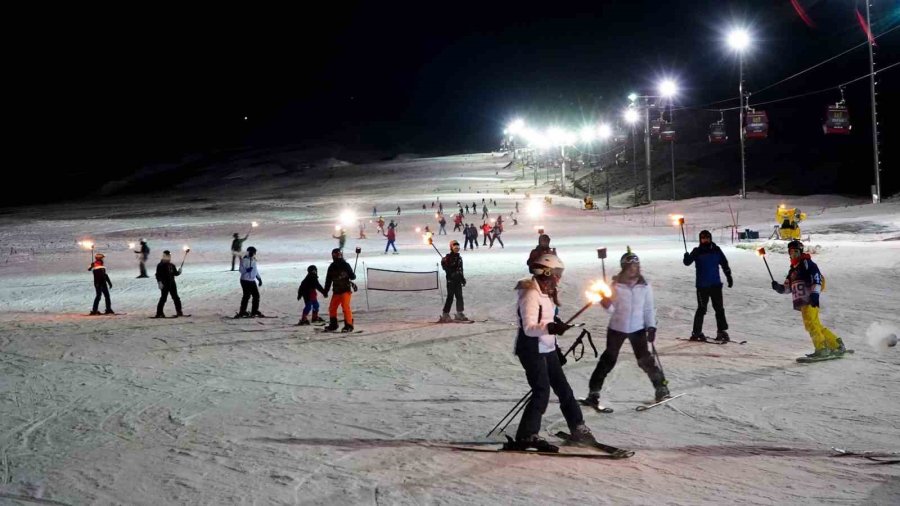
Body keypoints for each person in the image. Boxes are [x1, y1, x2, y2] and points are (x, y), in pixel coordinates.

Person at [511, 253, 595, 451]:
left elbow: (546, 320)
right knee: (542, 391)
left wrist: (555, 329)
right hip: (531, 349)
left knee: (564, 389)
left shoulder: (546, 291)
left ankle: (578, 427)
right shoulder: (530, 293)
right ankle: (527, 435)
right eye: (557, 273)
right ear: (547, 272)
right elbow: (529, 328)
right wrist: (551, 328)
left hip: (547, 348)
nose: (559, 277)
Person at [585, 247, 670, 406]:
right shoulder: (615, 286)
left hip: (638, 329)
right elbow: (611, 310)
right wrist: (605, 302)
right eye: (630, 268)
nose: (633, 270)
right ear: (624, 268)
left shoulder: (645, 286)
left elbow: (648, 309)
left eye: (636, 267)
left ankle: (661, 387)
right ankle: (594, 392)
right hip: (617, 328)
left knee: (645, 360)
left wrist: (651, 326)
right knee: (608, 360)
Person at [771, 240, 845, 358]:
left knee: (811, 324)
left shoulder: (806, 263)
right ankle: (836, 344)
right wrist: (778, 288)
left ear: (800, 252)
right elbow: (787, 288)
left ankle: (821, 348)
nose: (793, 254)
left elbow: (817, 279)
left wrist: (814, 295)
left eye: (796, 252)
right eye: (791, 252)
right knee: (815, 324)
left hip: (809, 299)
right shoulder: (793, 270)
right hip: (802, 301)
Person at [683, 230, 733, 341]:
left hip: (715, 285)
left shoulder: (716, 250)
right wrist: (686, 257)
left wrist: (729, 276)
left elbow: (724, 263)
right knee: (701, 309)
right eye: (703, 238)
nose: (705, 240)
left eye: (707, 238)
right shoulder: (697, 251)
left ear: (710, 238)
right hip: (702, 286)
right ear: (700, 239)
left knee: (719, 309)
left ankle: (721, 331)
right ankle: (696, 332)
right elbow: (687, 262)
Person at [323, 248, 356, 332]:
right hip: (337, 291)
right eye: (335, 255)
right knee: (332, 308)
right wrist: (326, 290)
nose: (337, 256)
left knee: (345, 307)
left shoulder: (345, 265)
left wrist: (352, 275)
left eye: (338, 254)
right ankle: (333, 324)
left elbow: (352, 276)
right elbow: (328, 280)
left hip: (345, 289)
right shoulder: (332, 267)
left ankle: (349, 325)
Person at [439, 240, 468, 322]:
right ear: (451, 247)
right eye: (455, 247)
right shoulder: (447, 258)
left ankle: (459, 313)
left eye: (458, 247)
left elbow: (460, 269)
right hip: (451, 281)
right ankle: (445, 313)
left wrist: (462, 278)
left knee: (459, 297)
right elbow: (446, 268)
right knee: (450, 297)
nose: (457, 249)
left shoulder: (459, 258)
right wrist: (443, 263)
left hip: (458, 280)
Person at [236, 246, 264, 318]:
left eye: (254, 252)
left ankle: (254, 311)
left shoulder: (254, 260)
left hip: (252, 280)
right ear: (248, 252)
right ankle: (242, 311)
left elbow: (255, 270)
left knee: (256, 296)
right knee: (246, 296)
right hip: (245, 280)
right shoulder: (244, 260)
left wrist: (259, 279)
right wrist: (246, 270)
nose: (253, 254)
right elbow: (240, 270)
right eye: (252, 252)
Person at [154, 250, 184, 318]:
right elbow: (157, 275)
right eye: (167, 256)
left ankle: (179, 311)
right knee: (163, 298)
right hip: (165, 284)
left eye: (169, 256)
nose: (168, 258)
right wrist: (159, 282)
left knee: (176, 298)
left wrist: (179, 272)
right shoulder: (160, 265)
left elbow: (175, 273)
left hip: (172, 283)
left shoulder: (171, 265)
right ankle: (159, 313)